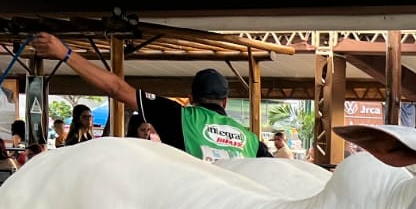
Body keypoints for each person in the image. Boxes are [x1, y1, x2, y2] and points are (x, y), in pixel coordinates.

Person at [30, 33, 270, 161]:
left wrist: (65, 53)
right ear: (225, 102)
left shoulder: (180, 116)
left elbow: (116, 88)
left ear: (190, 98)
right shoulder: (251, 141)